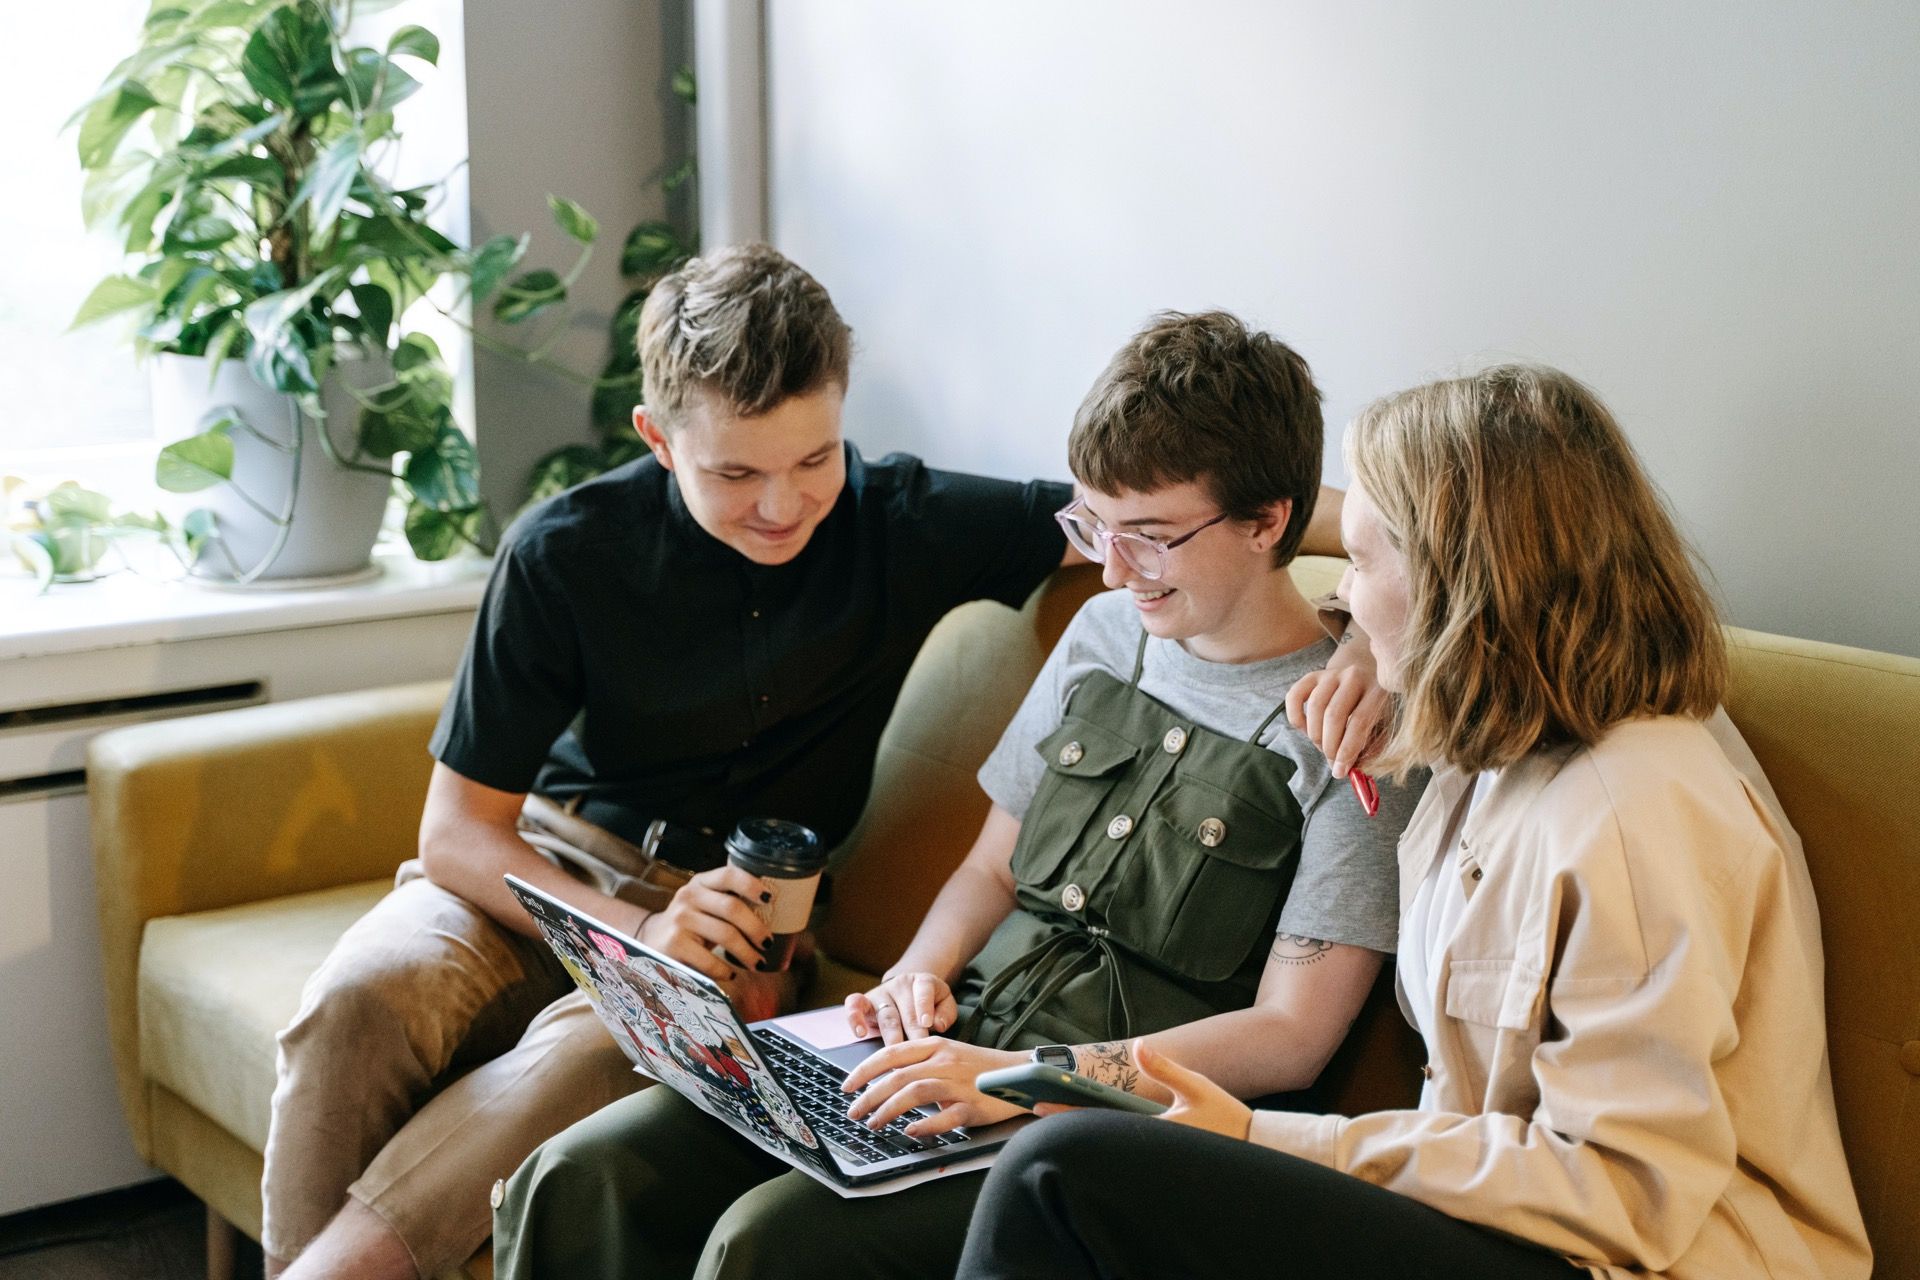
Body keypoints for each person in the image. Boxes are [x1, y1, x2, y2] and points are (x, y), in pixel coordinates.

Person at [263, 247, 1339, 1280]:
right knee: (361, 1001)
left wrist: (1379, 626)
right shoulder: (565, 549)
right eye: (734, 471)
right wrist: (648, 931)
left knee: (597, 1075)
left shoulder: (912, 520)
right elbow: (456, 832)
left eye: (814, 460)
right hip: (551, 863)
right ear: (657, 438)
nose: (781, 506)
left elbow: (1268, 518)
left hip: (750, 918)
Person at [491, 309, 1425, 1280]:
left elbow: (1293, 1038)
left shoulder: (1354, 732)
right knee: (581, 1171)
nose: (1110, 568)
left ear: (1269, 520)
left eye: (1149, 536)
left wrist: (1023, 1081)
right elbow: (990, 864)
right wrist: (911, 974)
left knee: (773, 1242)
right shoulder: (1106, 632)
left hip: (1107, 1125)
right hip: (948, 1047)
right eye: (1097, 527)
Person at [956, 365, 1873, 1280]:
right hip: (1491, 1217)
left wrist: (1258, 1139)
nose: (1340, 600)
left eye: (1359, 564)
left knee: (1059, 1174)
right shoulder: (1486, 753)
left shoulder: (1633, 816)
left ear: (1460, 579)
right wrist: (1368, 644)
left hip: (1630, 1258)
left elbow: (1626, 1198)